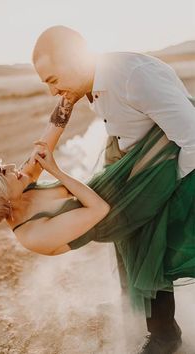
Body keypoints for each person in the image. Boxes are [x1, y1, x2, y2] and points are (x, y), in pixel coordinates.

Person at [30, 25, 195, 354]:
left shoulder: (133, 76)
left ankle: (166, 338)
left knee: (159, 248)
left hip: (178, 172)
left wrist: (167, 188)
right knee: (133, 241)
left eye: (52, 79)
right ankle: (159, 329)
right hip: (143, 170)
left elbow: (192, 136)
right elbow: (72, 112)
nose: (53, 91)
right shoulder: (89, 84)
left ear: (75, 58)